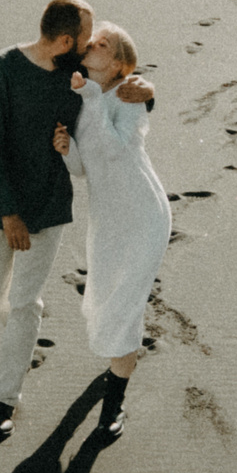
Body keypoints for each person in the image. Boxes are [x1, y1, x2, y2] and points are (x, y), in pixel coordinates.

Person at [0, 0, 152, 440]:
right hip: (0, 209)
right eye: (86, 39)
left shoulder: (75, 79)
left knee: (23, 303)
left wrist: (149, 93)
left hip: (48, 210)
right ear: (67, 40)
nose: (91, 45)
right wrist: (9, 214)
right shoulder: (2, 70)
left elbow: (117, 96)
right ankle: (20, 334)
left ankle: (4, 401)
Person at [55, 23, 171, 439]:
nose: (92, 44)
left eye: (102, 43)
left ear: (120, 64)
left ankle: (113, 408)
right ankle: (120, 362)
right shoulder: (84, 98)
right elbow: (89, 167)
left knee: (124, 310)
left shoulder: (128, 96)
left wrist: (91, 97)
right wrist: (68, 152)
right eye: (92, 39)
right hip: (108, 222)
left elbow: (119, 150)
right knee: (105, 298)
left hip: (143, 217)